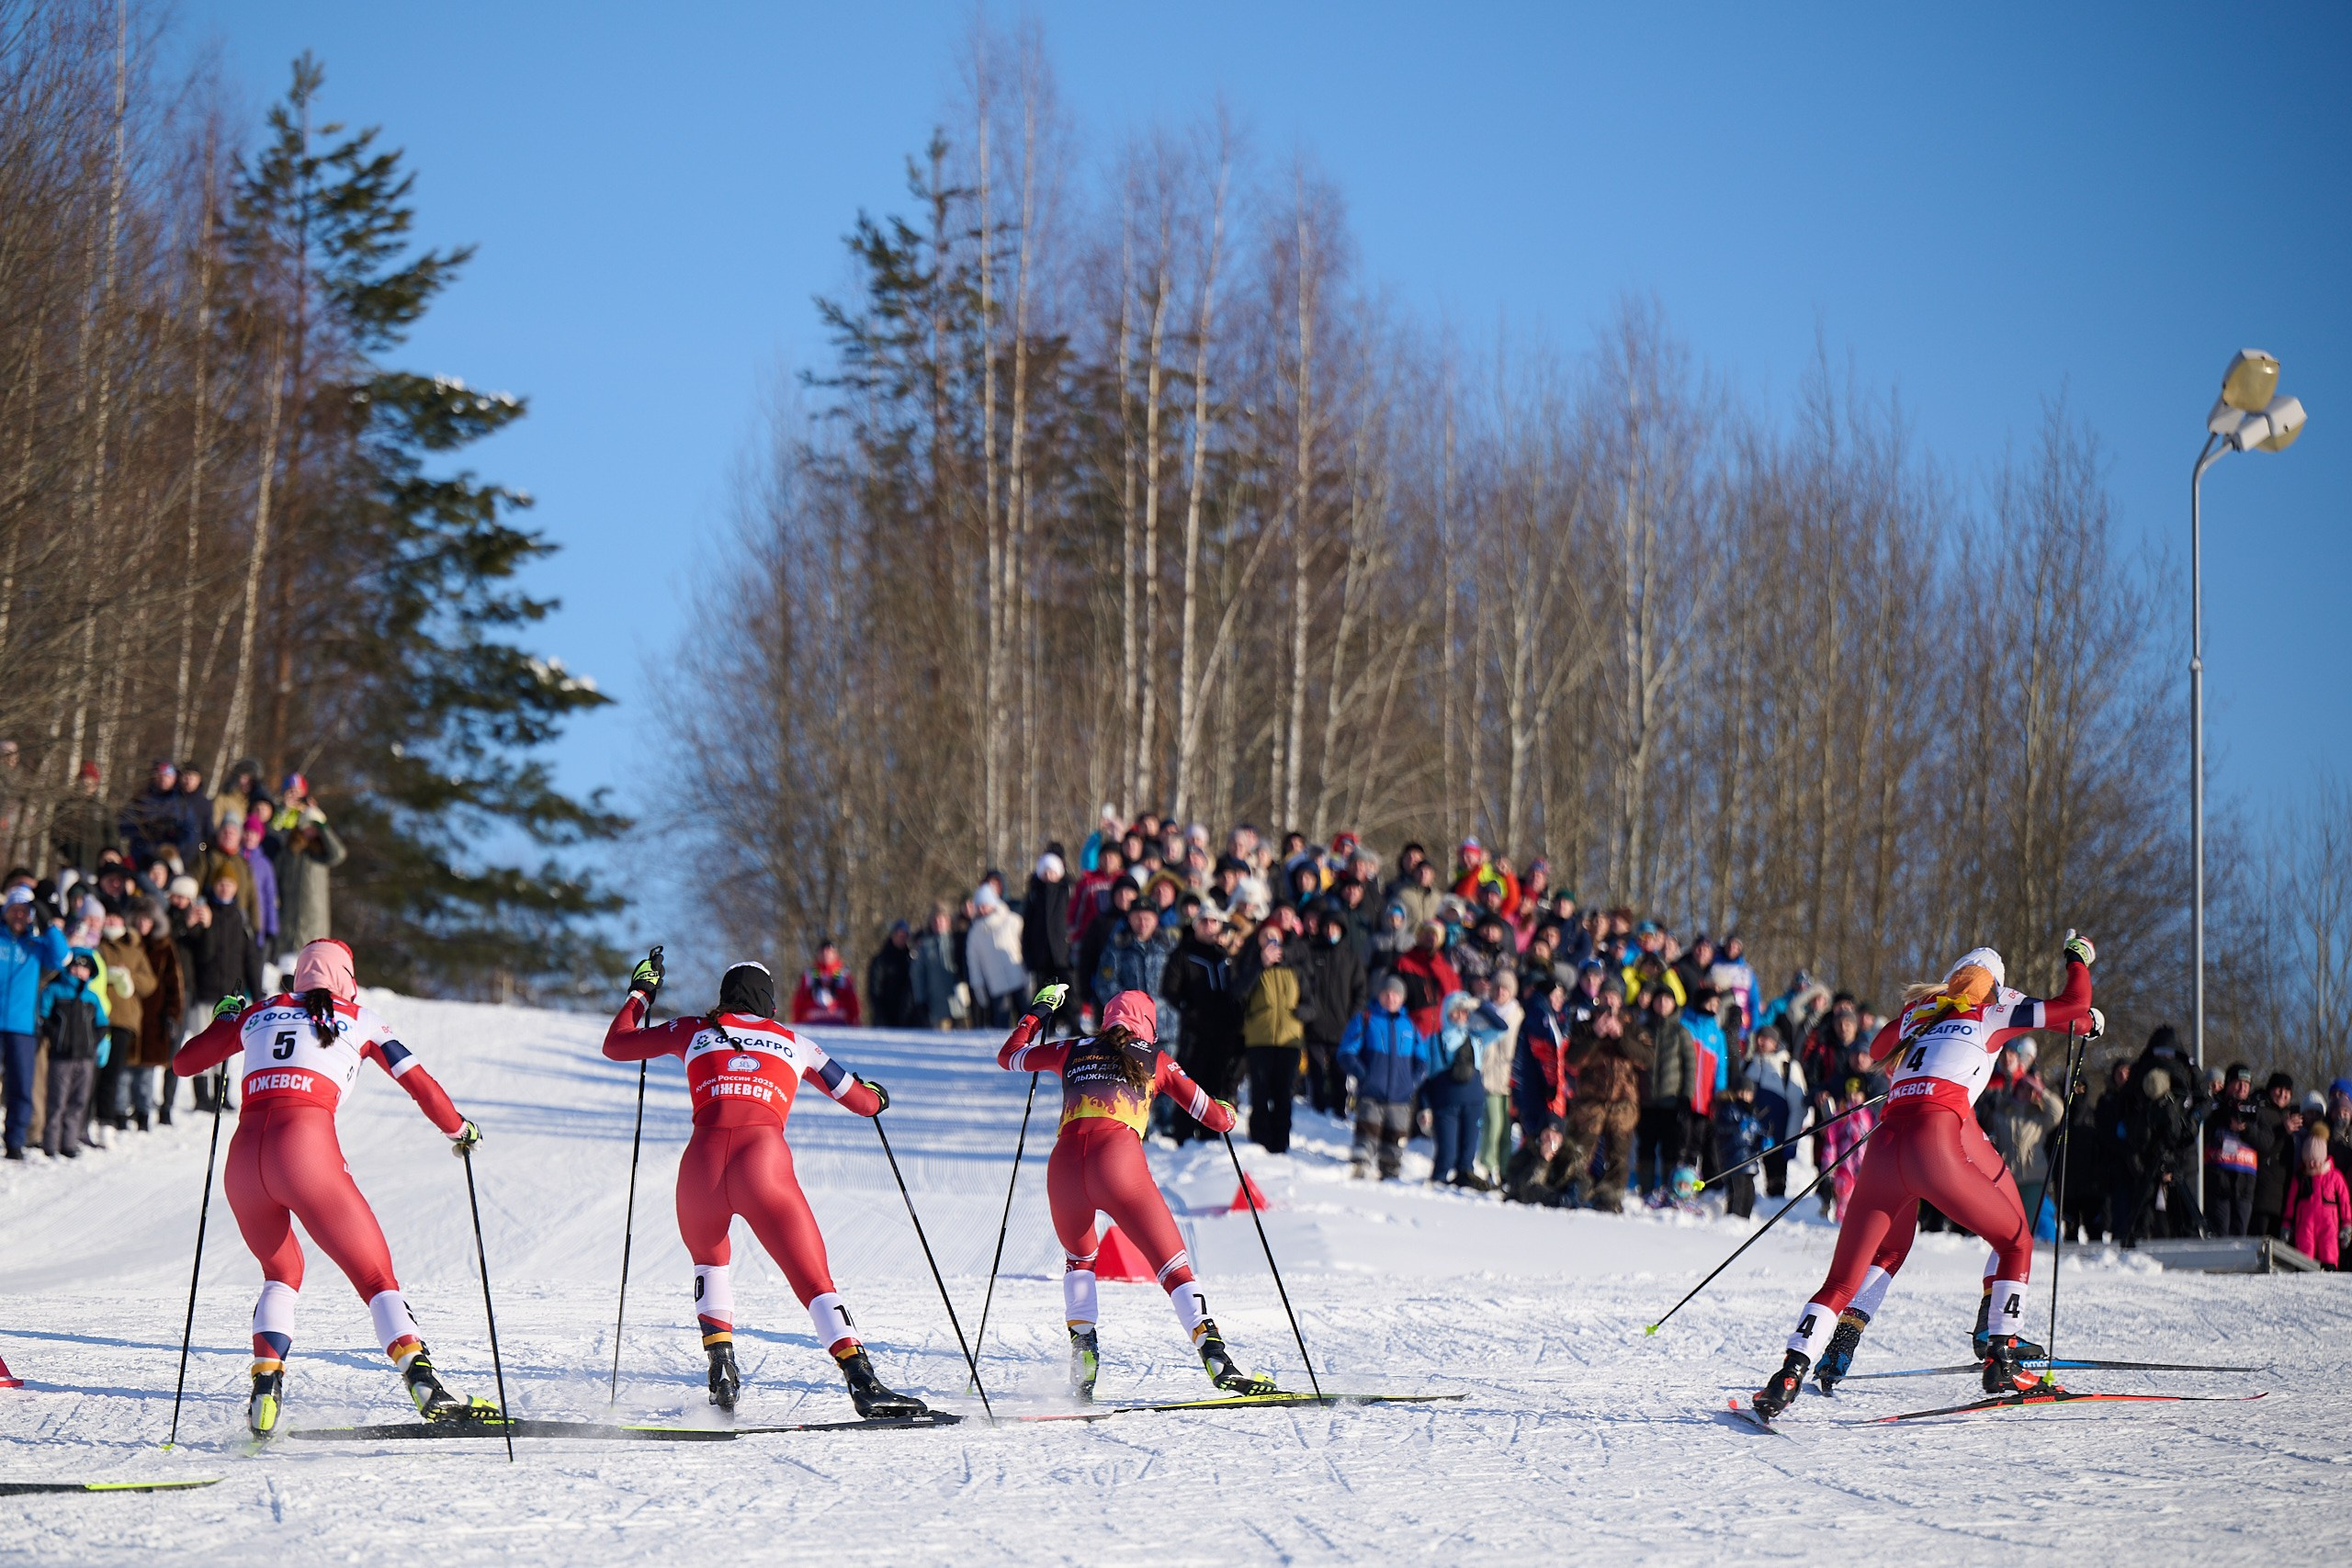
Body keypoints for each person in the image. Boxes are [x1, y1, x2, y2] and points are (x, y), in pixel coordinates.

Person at [1748, 938, 2098, 1423]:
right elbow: (2074, 1006)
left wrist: (1924, 1022)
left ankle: (1791, 1371)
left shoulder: (1924, 1009)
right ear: (1995, 984)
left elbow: (1875, 1049)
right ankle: (2001, 1349)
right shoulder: (1996, 1006)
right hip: (1936, 1140)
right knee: (2017, 1235)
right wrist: (2077, 958)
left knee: (1860, 1267)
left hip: (1888, 1145)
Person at [171, 938, 489, 1437]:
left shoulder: (257, 1012)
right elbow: (420, 1084)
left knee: (281, 1272)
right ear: (347, 979)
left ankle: (266, 1391)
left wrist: (224, 1019)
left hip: (244, 1160)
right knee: (375, 1277)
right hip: (305, 1152)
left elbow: (185, 1063)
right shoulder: (362, 1019)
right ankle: (423, 1381)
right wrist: (459, 1129)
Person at [601, 952, 927, 1418]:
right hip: (763, 1164)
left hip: (701, 1166)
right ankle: (863, 1381)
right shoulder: (797, 1042)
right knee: (813, 1279)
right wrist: (875, 1094)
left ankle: (722, 1370)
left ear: (724, 998)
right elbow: (862, 1104)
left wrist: (641, 993)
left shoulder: (693, 1030)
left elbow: (617, 1044)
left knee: (710, 1265)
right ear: (771, 1004)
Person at [996, 984, 1274, 1400]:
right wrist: (1229, 1110)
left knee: (1080, 1259)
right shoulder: (1155, 1058)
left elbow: (1009, 1056)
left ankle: (1083, 1354)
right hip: (1118, 1164)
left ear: (1106, 1020)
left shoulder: (1071, 1048)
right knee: (1173, 1267)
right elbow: (1216, 1119)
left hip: (1065, 1167)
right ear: (1149, 1027)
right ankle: (1217, 1358)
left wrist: (1037, 1011)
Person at [1339, 975, 1438, 1181]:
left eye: (1396, 994)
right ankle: (1360, 1168)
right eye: (1387, 993)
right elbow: (1346, 1052)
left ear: (1402, 998)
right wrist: (1363, 1075)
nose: (1391, 998)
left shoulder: (1409, 1026)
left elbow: (1422, 1060)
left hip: (1400, 1098)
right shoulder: (1366, 1019)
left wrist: (1412, 1082)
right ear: (1380, 994)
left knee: (1395, 1142)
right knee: (1367, 1136)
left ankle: (1390, 1173)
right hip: (1371, 1094)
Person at [0, 885, 69, 1160]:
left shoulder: (37, 946)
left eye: (24, 911)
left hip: (22, 1028)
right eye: (13, 910)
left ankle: (15, 1140)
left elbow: (63, 958)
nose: (19, 915)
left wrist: (48, 922)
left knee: (21, 1085)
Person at [1238, 924, 1306, 1154]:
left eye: (1275, 937)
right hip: (1260, 1039)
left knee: (1283, 1093)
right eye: (1266, 937)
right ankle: (1259, 1139)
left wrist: (1300, 1014)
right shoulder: (1251, 965)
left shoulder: (1294, 968)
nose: (1271, 941)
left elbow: (1311, 1002)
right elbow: (1238, 993)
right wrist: (1260, 965)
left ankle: (1281, 1142)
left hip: (1289, 1039)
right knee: (1260, 1092)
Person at [1295, 901, 1367, 1117]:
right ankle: (1317, 1108)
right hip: (1315, 1022)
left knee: (1339, 1072)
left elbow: (1360, 990)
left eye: (1335, 927)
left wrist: (1353, 1018)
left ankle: (1339, 1108)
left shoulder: (1351, 957)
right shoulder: (1311, 952)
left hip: (1341, 1025)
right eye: (1327, 927)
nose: (1330, 931)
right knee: (1315, 1070)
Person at [38, 950, 107, 1157]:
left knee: (79, 1101)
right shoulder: (54, 991)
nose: (79, 972)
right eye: (75, 967)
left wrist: (91, 1043)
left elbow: (102, 1024)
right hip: (61, 1057)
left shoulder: (92, 997)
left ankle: (69, 1142)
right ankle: (50, 1143)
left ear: (90, 972)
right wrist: (55, 1036)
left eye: (84, 968)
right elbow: (43, 1016)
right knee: (57, 1100)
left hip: (85, 1058)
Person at [1424, 992, 1487, 1189]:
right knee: (1447, 1152)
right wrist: (1425, 1107)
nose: (1461, 1016)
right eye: (1456, 1012)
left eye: (1465, 1012)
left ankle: (1464, 1184)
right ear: (1447, 1013)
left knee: (1467, 1154)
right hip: (1446, 1101)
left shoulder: (1476, 1038)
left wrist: (1478, 1006)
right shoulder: (1435, 1040)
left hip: (1474, 1101)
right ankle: (1437, 1183)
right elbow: (1426, 1078)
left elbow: (1501, 1026)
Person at [2282, 1132, 2349, 1269]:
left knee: (2329, 1250)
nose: (2311, 1164)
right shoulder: (2300, 1178)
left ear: (2323, 1158)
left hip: (2329, 1224)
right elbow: (2291, 1202)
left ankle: (2330, 1270)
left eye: (2315, 1160)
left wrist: (2347, 1223)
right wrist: (2286, 1224)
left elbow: (2344, 1201)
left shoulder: (2335, 1176)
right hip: (2305, 1224)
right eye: (2308, 1160)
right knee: (2305, 1254)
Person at [964, 884, 1027, 1030]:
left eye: (984, 905)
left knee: (1027, 1019)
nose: (981, 909)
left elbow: (1025, 945)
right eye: (978, 906)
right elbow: (973, 962)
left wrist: (1029, 972)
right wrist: (978, 985)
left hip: (1019, 978)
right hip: (997, 985)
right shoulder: (975, 933)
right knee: (1001, 1024)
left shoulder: (1012, 921)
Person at [1712, 1079, 1766, 1220]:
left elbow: (1755, 1135)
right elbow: (1722, 1131)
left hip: (1749, 1161)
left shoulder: (1751, 1112)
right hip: (1734, 1161)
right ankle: (1732, 1222)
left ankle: (1744, 1224)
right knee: (1737, 1195)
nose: (1744, 1096)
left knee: (1749, 1196)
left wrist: (1762, 1140)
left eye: (1748, 1093)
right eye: (1742, 1092)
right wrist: (1740, 1131)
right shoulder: (1730, 1108)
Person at [909, 903, 962, 1030]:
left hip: (960, 1004)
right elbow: (917, 974)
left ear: (948, 920)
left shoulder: (958, 940)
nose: (939, 923)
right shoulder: (925, 945)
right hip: (937, 1007)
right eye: (935, 920)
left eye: (942, 919)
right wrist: (920, 1001)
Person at [787, 940, 861, 1027]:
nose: (826, 955)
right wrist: (796, 1023)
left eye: (829, 951)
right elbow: (799, 1001)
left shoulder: (843, 975)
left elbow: (852, 1000)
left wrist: (855, 1023)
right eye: (823, 951)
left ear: (835, 954)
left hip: (840, 1023)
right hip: (812, 1023)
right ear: (818, 954)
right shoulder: (809, 975)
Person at [864, 921, 915, 1029]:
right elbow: (874, 989)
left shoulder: (911, 960)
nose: (901, 938)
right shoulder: (881, 960)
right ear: (893, 935)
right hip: (885, 1015)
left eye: (904, 936)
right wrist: (880, 1014)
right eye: (899, 935)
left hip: (907, 1017)